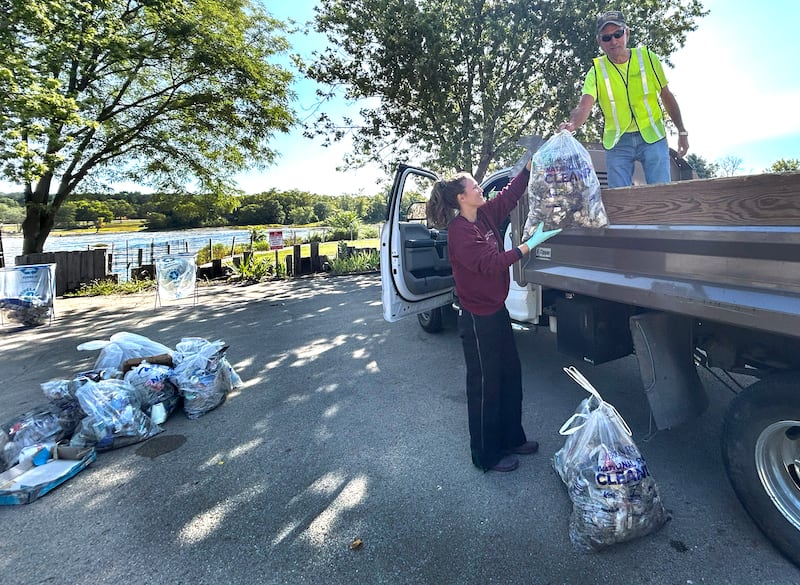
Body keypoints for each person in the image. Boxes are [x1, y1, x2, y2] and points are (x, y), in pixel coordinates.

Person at [427, 161, 561, 472]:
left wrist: (528, 169)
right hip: (476, 317)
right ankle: (485, 455)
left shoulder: (485, 214)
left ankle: (512, 438)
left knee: (510, 376)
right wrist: (530, 245)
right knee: (485, 384)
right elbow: (491, 264)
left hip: (496, 310)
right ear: (462, 198)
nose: (480, 189)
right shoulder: (459, 232)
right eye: (474, 186)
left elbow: (510, 196)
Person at [559, 10, 689, 188]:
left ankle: (662, 217)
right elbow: (584, 105)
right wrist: (572, 125)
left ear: (626, 33)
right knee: (618, 196)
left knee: (662, 192)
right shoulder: (596, 71)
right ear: (599, 42)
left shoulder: (648, 59)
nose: (613, 41)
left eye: (618, 34)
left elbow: (666, 96)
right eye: (606, 38)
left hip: (652, 136)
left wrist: (682, 131)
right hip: (618, 141)